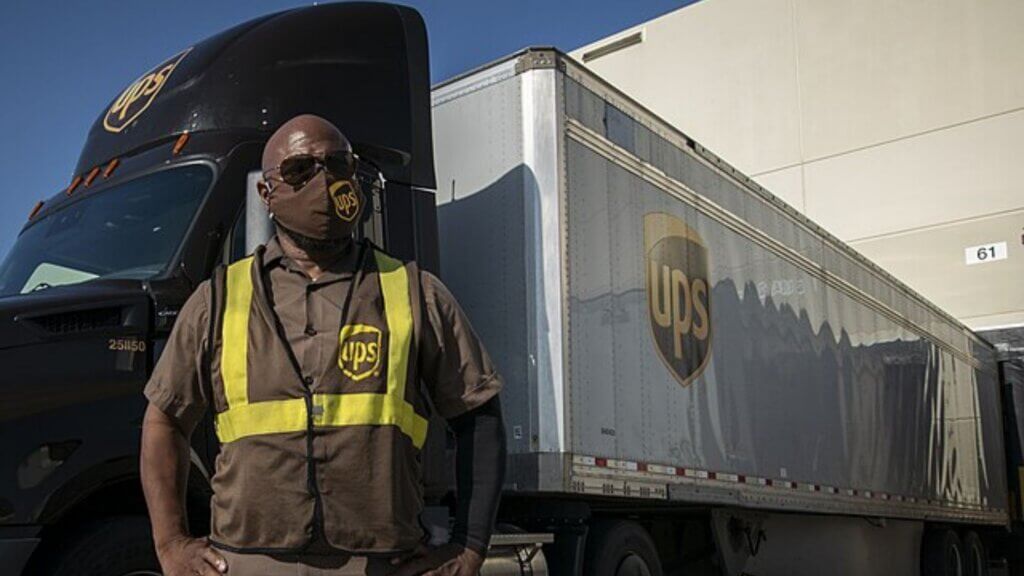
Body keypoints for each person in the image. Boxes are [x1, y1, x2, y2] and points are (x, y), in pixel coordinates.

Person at [140, 114, 507, 576]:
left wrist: (469, 547)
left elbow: (479, 418)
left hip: (380, 562)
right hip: (248, 561)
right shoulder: (217, 299)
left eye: (338, 164)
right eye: (299, 170)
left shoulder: (416, 292)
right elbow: (165, 420)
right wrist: (170, 542)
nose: (324, 180)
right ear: (266, 193)